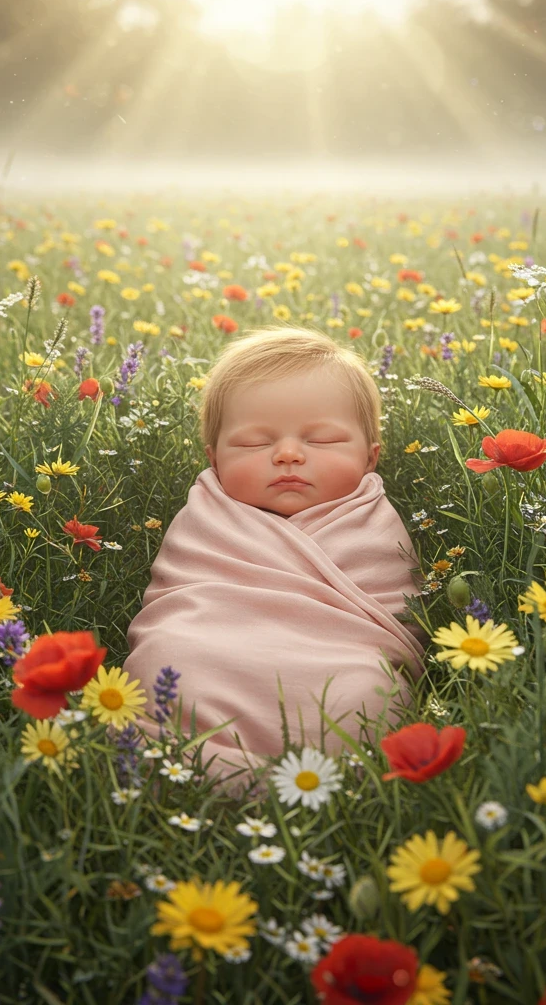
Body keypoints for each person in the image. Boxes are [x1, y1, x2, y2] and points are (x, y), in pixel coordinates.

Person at [124, 326, 429, 795]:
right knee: (165, 657)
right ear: (215, 458)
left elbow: (394, 622)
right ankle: (270, 778)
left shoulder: (372, 517)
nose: (287, 454)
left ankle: (212, 773)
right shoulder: (207, 512)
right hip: (209, 644)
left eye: (323, 440)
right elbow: (177, 599)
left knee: (370, 692)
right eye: (252, 444)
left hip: (338, 659)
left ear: (370, 459)